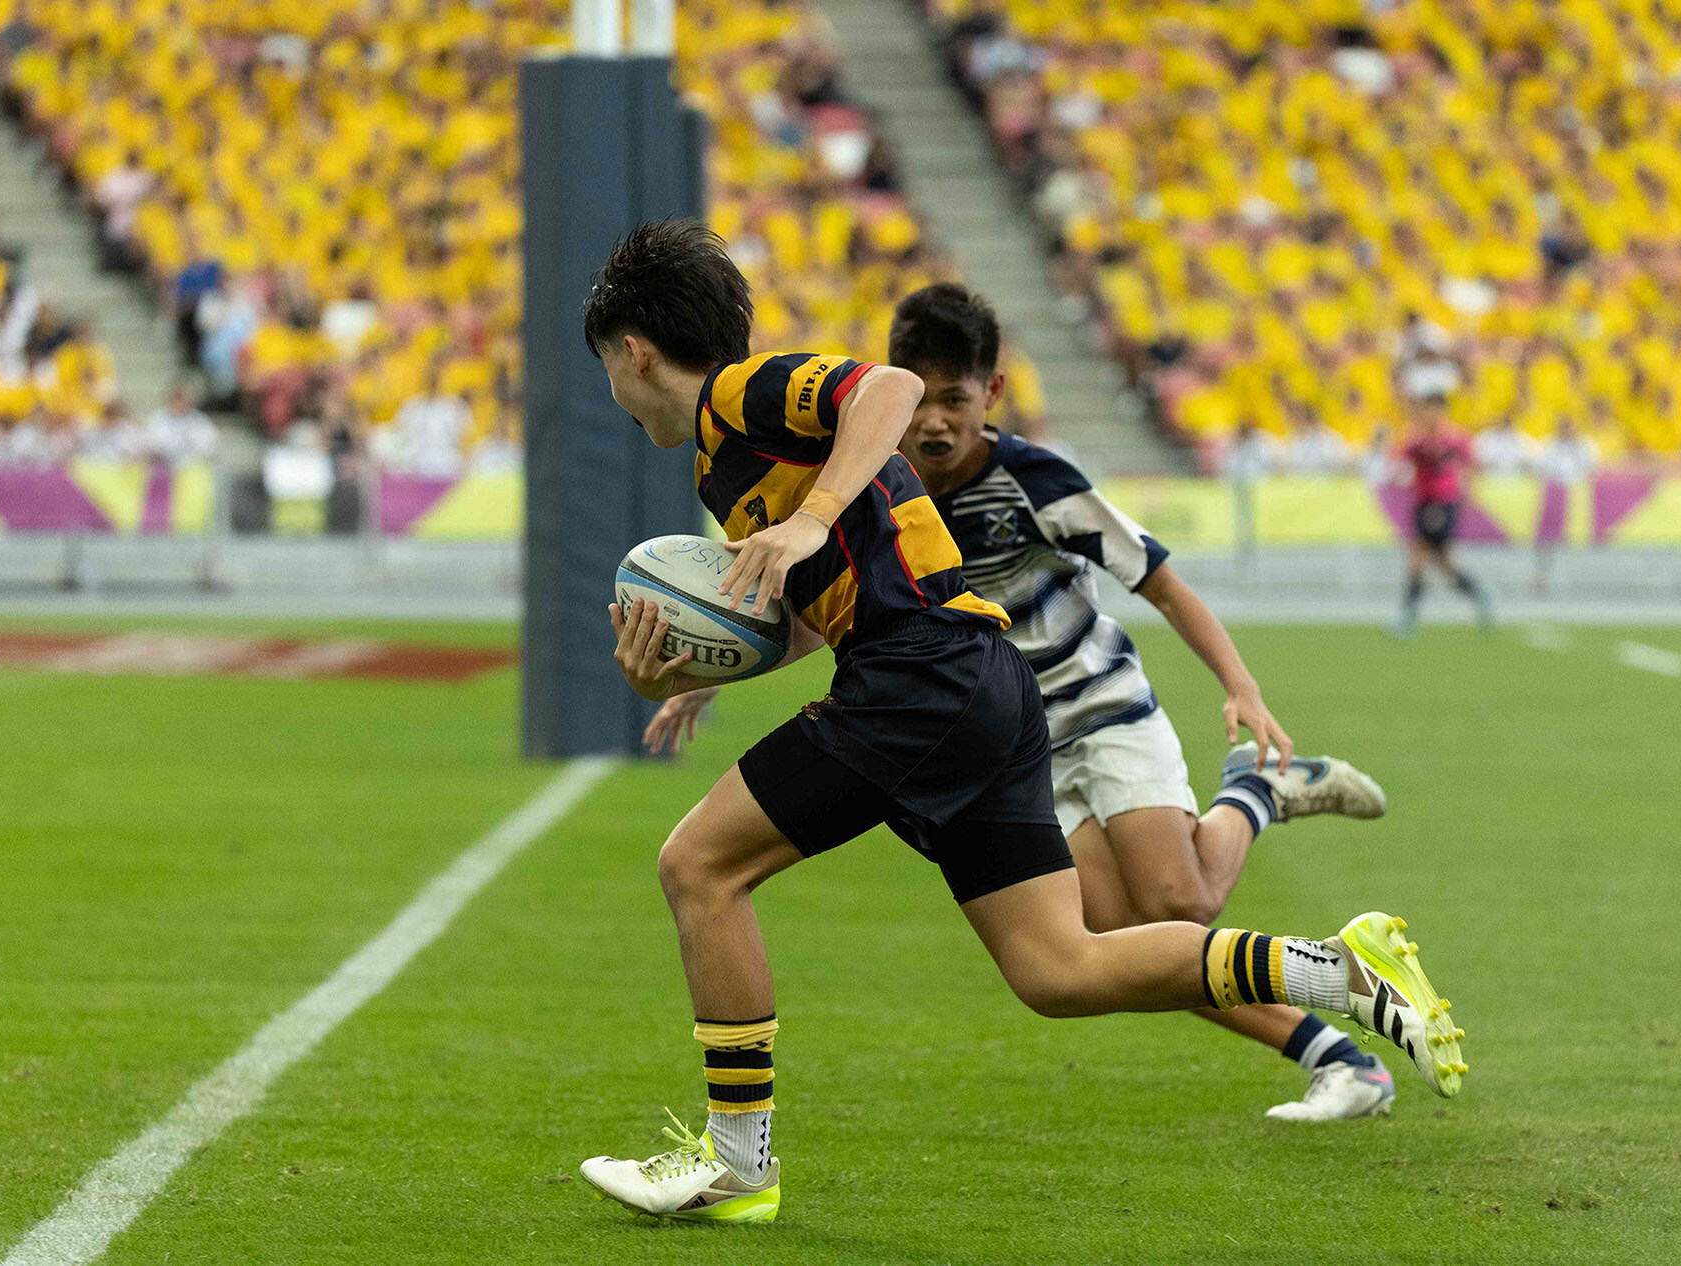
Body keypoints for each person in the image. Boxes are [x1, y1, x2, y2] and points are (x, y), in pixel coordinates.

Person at [574, 220, 1467, 1224]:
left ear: (633, 352)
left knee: (699, 868)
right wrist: (681, 674)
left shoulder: (741, 397)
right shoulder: (722, 464)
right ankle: (1339, 970)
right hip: (976, 681)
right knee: (1058, 969)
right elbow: (827, 606)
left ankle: (740, 1164)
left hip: (918, 680)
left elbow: (888, 389)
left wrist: (812, 518)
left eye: (609, 367)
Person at [1394, 391, 1493, 636]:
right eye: (1426, 408)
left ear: (1442, 410)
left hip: (1444, 501)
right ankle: (1479, 594)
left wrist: (1469, 490)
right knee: (1443, 563)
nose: (1430, 414)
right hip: (1423, 500)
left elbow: (1471, 463)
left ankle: (1407, 617)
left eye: (1434, 408)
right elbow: (1399, 463)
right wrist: (1399, 478)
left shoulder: (1455, 437)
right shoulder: (1414, 437)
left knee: (1419, 556)